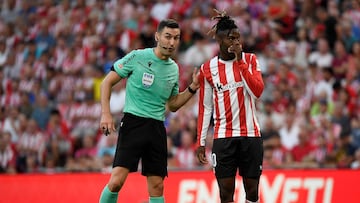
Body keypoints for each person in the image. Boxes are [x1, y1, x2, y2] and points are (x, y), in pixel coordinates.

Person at [98, 19, 199, 203]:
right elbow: (107, 82)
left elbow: (174, 104)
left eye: (176, 38)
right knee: (116, 181)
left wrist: (192, 87)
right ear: (157, 36)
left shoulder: (174, 69)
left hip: (157, 127)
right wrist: (105, 113)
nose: (171, 42)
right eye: (167, 37)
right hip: (133, 123)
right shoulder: (137, 57)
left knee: (157, 187)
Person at [196, 10, 264, 203]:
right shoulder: (207, 69)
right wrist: (201, 142)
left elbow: (257, 91)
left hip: (251, 136)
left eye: (237, 37)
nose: (235, 42)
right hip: (223, 137)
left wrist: (240, 61)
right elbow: (205, 108)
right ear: (219, 40)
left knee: (252, 192)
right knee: (226, 193)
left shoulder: (250, 60)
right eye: (230, 38)